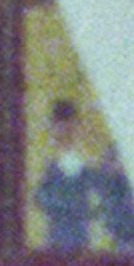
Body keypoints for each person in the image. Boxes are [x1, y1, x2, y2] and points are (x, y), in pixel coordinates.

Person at [31, 99, 102, 251]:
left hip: (81, 237)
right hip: (56, 237)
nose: (65, 131)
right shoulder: (49, 164)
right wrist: (64, 203)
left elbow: (101, 200)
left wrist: (87, 210)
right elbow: (38, 197)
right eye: (59, 127)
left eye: (70, 126)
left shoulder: (87, 163)